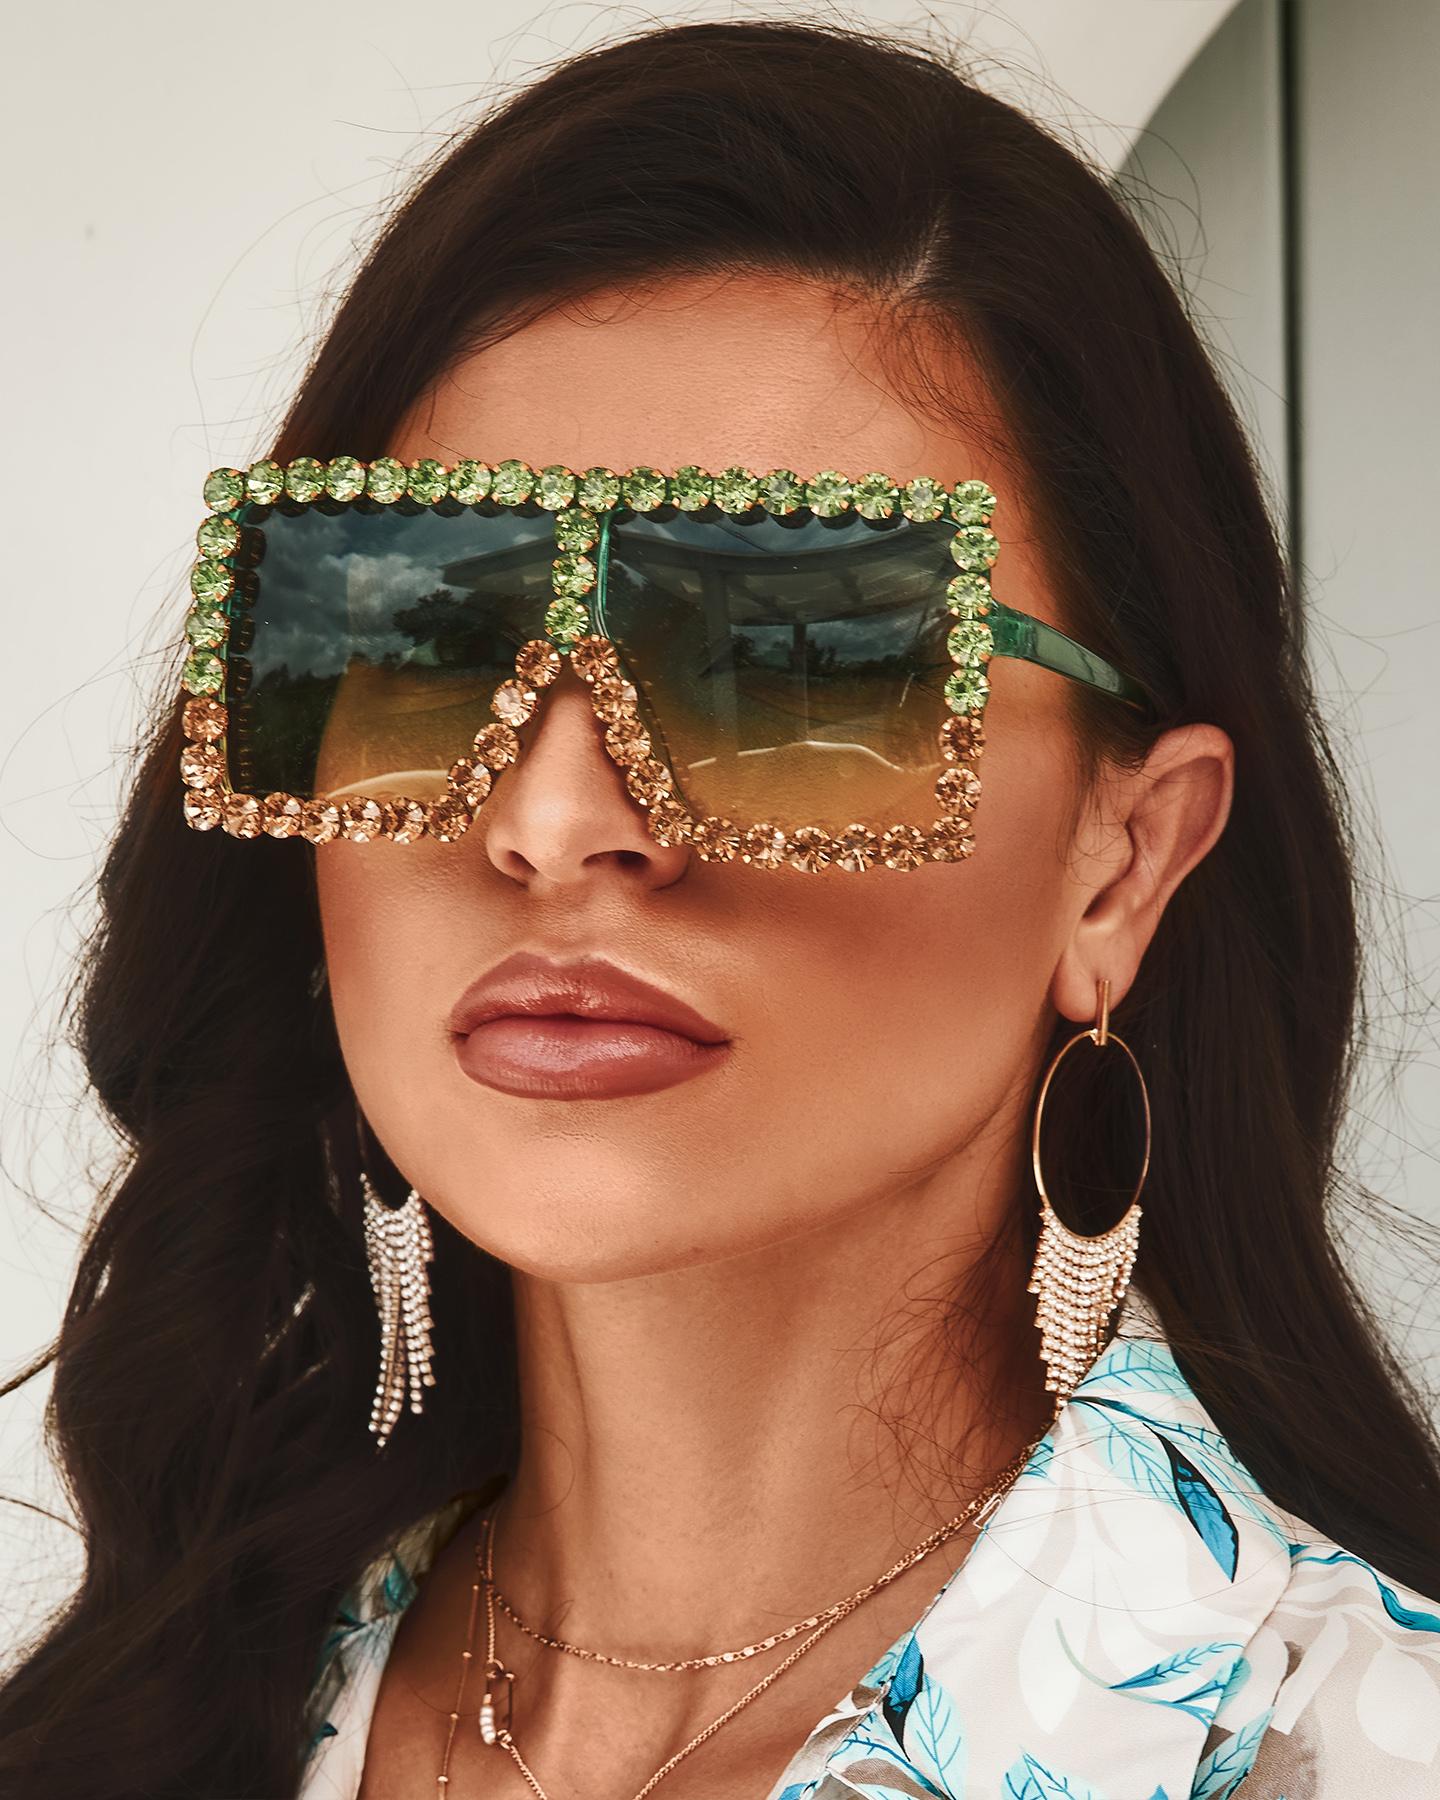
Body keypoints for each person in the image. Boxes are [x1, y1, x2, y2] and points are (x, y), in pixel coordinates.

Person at [3, 16, 1439, 1800]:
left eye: (785, 662)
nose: (554, 821)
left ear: (1125, 860)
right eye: (427, 641)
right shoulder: (135, 1729)